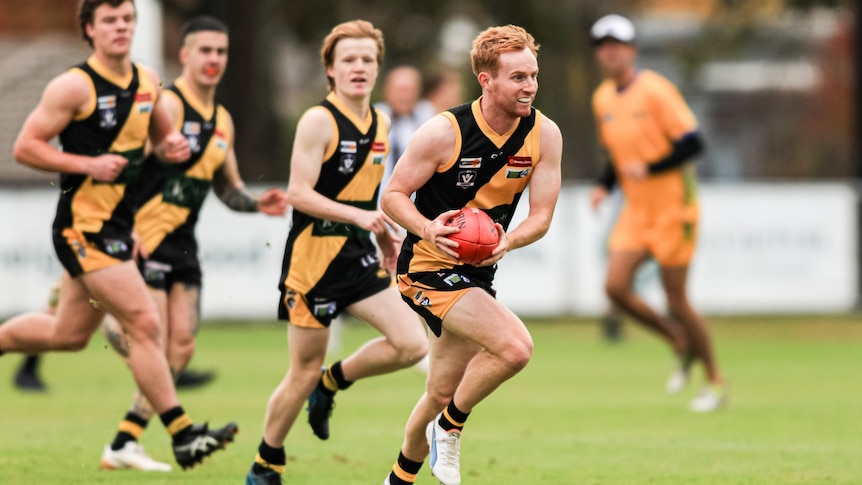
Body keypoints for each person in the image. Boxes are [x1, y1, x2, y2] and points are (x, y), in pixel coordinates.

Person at [0, 0, 237, 470]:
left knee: (67, 335)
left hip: (116, 230)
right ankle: (182, 433)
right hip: (81, 229)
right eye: (110, 21)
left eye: (128, 19)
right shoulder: (74, 86)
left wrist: (172, 145)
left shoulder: (148, 81)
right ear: (89, 29)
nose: (121, 28)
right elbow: (24, 147)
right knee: (146, 324)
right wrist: (85, 164)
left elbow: (163, 140)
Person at [95, 15, 288, 472]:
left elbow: (228, 187)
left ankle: (124, 442)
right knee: (154, 340)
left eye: (220, 52)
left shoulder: (222, 120)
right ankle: (112, 332)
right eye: (205, 50)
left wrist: (257, 204)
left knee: (181, 349)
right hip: (145, 240)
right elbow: (125, 166)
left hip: (183, 243)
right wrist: (122, 228)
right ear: (184, 55)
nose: (214, 60)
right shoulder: (167, 106)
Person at [244, 20, 429, 485]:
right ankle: (266, 462)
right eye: (349, 59)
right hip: (313, 261)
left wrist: (382, 232)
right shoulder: (317, 120)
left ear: (378, 67)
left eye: (367, 59)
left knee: (411, 344)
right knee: (302, 369)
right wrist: (359, 217)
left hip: (357, 255)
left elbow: (367, 198)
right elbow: (298, 193)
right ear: (330, 68)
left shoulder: (382, 122)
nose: (359, 67)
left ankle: (334, 382)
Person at [379, 24, 562, 485]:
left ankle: (398, 479)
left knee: (440, 390)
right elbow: (394, 195)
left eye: (533, 75)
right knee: (515, 347)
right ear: (487, 80)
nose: (530, 86)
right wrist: (426, 227)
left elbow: (541, 216)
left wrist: (508, 241)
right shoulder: (444, 131)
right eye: (518, 77)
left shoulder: (545, 134)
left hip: (475, 274)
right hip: (425, 267)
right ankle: (450, 429)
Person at [588, 14, 727, 412]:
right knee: (615, 287)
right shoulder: (603, 99)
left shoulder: (656, 91)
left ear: (631, 50)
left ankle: (715, 381)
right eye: (602, 45)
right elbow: (616, 154)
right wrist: (604, 185)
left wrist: (649, 169)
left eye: (616, 44)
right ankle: (676, 339)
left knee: (678, 300)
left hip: (674, 211)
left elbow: (692, 143)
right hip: (637, 212)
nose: (609, 51)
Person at [374, 65, 436, 198]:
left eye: (410, 90)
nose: (405, 96)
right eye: (400, 90)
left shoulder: (428, 116)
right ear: (387, 91)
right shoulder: (373, 118)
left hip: (416, 203)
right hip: (377, 204)